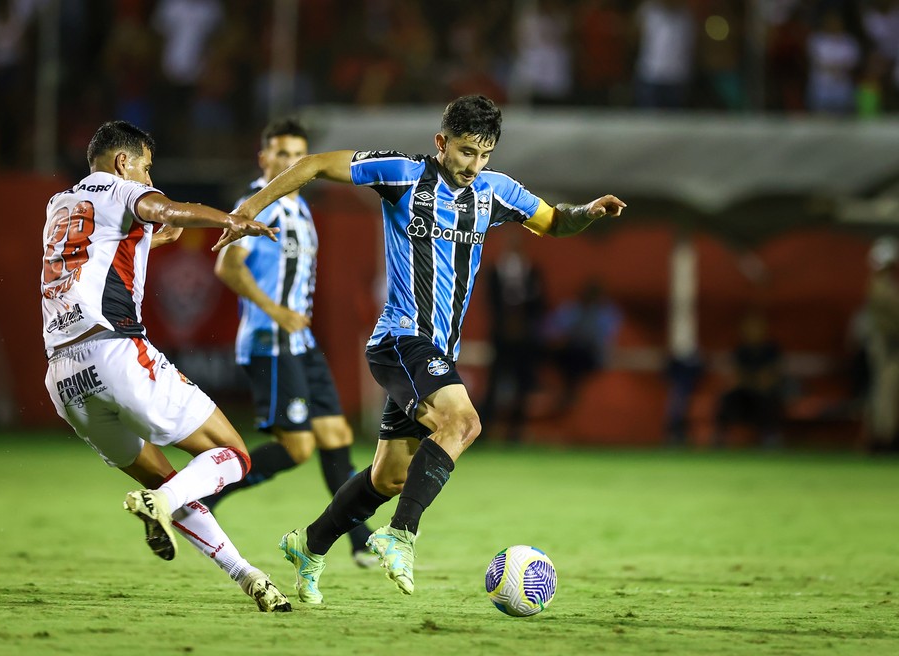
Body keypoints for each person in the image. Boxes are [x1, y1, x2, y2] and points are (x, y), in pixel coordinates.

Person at [216, 95, 625, 603]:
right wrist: (248, 208)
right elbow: (315, 165)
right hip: (400, 339)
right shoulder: (403, 175)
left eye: (485, 154)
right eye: (465, 152)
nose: (474, 165)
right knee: (464, 422)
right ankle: (400, 534)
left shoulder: (496, 192)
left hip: (436, 352)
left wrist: (588, 210)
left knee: (387, 477)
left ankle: (310, 544)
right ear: (441, 142)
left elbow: (555, 222)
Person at [41, 120, 291, 612]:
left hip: (64, 377)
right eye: (146, 168)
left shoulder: (60, 205)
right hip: (114, 354)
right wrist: (229, 220)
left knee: (165, 485)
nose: (147, 177)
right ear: (122, 162)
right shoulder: (120, 188)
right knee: (233, 455)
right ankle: (163, 505)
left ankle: (249, 577)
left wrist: (146, 241)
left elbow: (90, 254)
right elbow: (161, 206)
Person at [200, 118, 376, 566]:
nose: (287, 162)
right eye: (279, 153)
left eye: (296, 155)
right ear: (263, 158)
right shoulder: (260, 205)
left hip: (300, 341)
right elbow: (227, 267)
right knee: (298, 448)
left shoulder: (298, 206)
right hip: (271, 339)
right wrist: (274, 309)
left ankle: (359, 541)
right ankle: (203, 492)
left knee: (336, 433)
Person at [479, 231, 545, 443]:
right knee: (495, 382)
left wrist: (523, 323)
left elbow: (539, 303)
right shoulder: (495, 270)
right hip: (501, 336)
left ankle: (516, 430)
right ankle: (486, 430)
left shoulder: (532, 270)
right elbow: (491, 302)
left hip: (525, 337)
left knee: (522, 383)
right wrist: (505, 323)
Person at [541, 278, 622, 415]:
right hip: (568, 353)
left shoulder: (607, 313)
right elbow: (550, 329)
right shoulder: (571, 309)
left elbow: (603, 338)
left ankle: (570, 393)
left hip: (590, 355)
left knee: (578, 354)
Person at [712, 312, 784, 449]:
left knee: (767, 397)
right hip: (744, 394)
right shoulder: (741, 350)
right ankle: (720, 437)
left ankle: (770, 436)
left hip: (764, 393)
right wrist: (750, 380)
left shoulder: (771, 349)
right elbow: (737, 376)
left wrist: (750, 379)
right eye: (749, 327)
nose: (752, 331)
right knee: (728, 397)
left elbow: (768, 378)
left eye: (756, 327)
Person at [865, 236, 899, 453]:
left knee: (885, 392)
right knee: (884, 392)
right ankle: (883, 439)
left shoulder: (884, 285)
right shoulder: (880, 287)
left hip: (888, 344)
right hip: (888, 345)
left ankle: (884, 436)